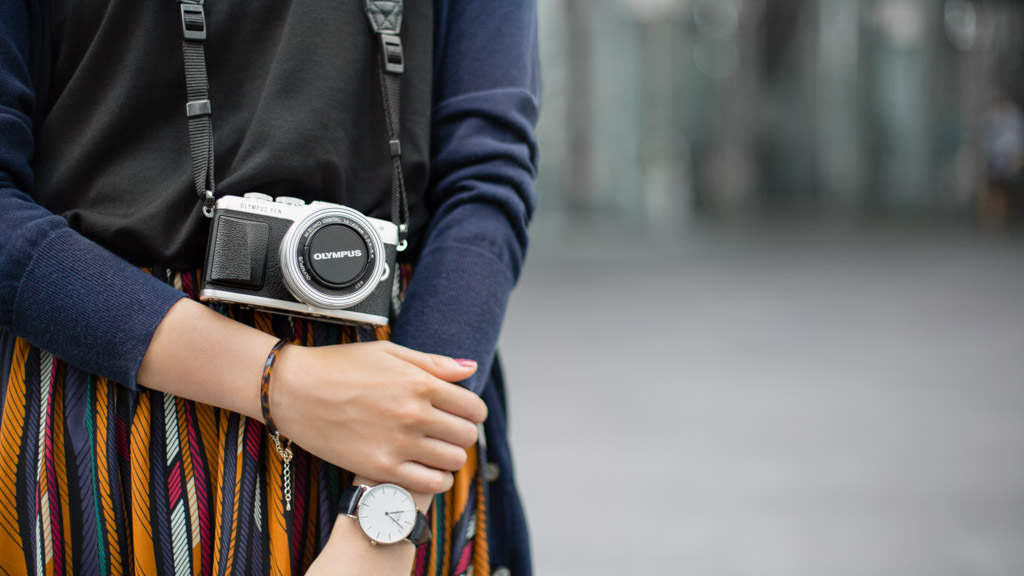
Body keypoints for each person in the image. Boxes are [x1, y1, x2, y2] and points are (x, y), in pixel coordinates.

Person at [0, 0, 538, 574]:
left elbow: (483, 186)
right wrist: (280, 381)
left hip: (399, 412)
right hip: (113, 403)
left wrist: (386, 513)